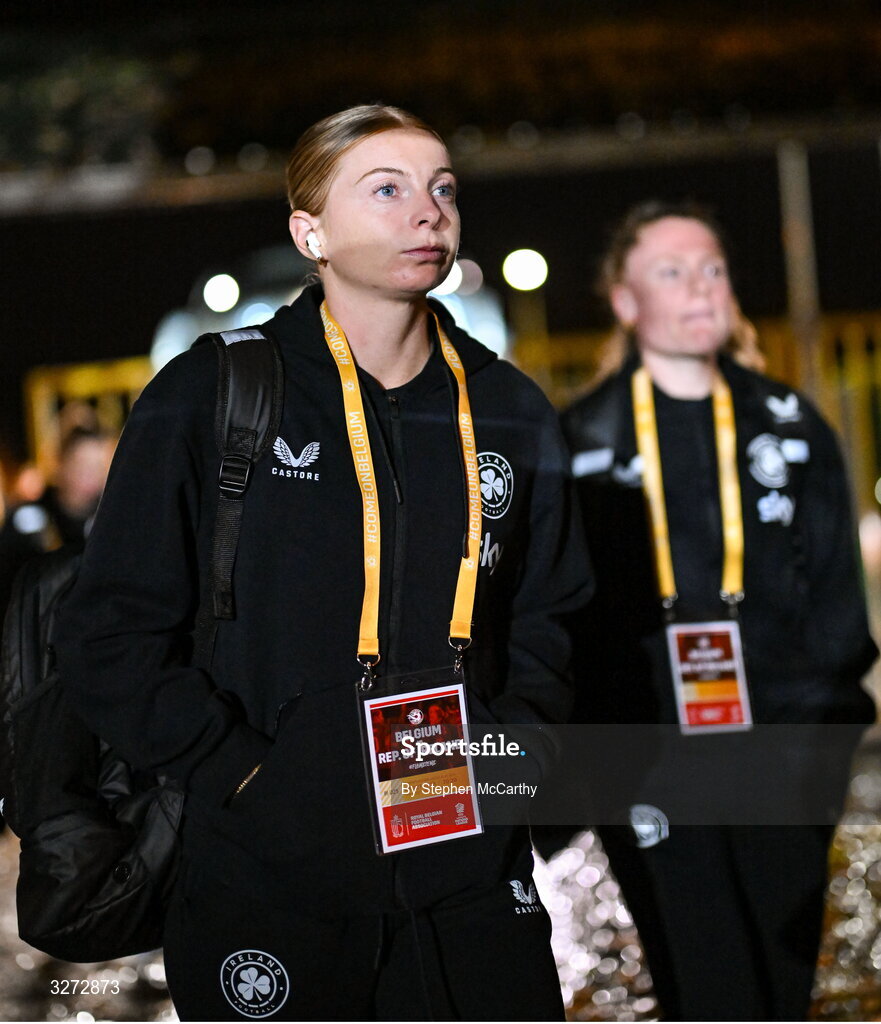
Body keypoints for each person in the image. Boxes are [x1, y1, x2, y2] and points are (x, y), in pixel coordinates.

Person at [55, 105, 591, 1021]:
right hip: (268, 882)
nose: (427, 212)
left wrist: (517, 754)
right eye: (385, 190)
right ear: (310, 231)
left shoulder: (506, 406)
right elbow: (108, 633)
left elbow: (553, 613)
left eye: (442, 189)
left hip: (468, 879)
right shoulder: (213, 392)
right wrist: (246, 774)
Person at [559, 200, 877, 1021]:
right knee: (700, 981)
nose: (699, 288)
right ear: (625, 301)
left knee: (777, 983)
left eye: (712, 269)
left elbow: (836, 607)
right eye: (670, 271)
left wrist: (817, 741)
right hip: (651, 759)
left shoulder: (790, 425)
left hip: (778, 751)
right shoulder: (581, 438)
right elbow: (572, 619)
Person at [0, 428, 114, 615]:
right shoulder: (28, 518)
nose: (88, 476)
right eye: (81, 465)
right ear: (61, 463)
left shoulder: (109, 519)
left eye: (97, 467)